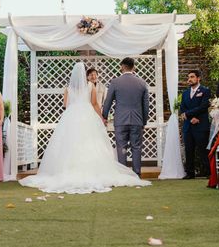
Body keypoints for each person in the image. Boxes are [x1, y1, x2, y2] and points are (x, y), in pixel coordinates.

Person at [20, 62, 150, 193]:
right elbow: (94, 104)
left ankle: (70, 170)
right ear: (84, 75)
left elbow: (65, 105)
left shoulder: (68, 89)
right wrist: (102, 117)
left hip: (71, 117)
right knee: (91, 144)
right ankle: (133, 173)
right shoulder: (90, 87)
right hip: (88, 116)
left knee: (70, 145)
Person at [102, 57, 150, 177]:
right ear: (134, 67)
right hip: (137, 120)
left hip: (121, 121)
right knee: (136, 147)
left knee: (121, 147)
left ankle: (123, 175)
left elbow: (107, 102)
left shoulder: (115, 82)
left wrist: (104, 116)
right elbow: (146, 105)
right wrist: (144, 121)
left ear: (122, 67)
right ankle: (137, 174)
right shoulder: (142, 83)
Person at [179, 69, 211, 179]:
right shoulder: (185, 93)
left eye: (192, 77)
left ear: (198, 78)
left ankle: (208, 172)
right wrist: (190, 117)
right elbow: (182, 107)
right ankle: (190, 173)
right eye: (189, 77)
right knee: (189, 149)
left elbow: (203, 106)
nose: (190, 79)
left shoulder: (205, 91)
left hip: (200, 124)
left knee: (203, 149)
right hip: (188, 125)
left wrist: (193, 116)